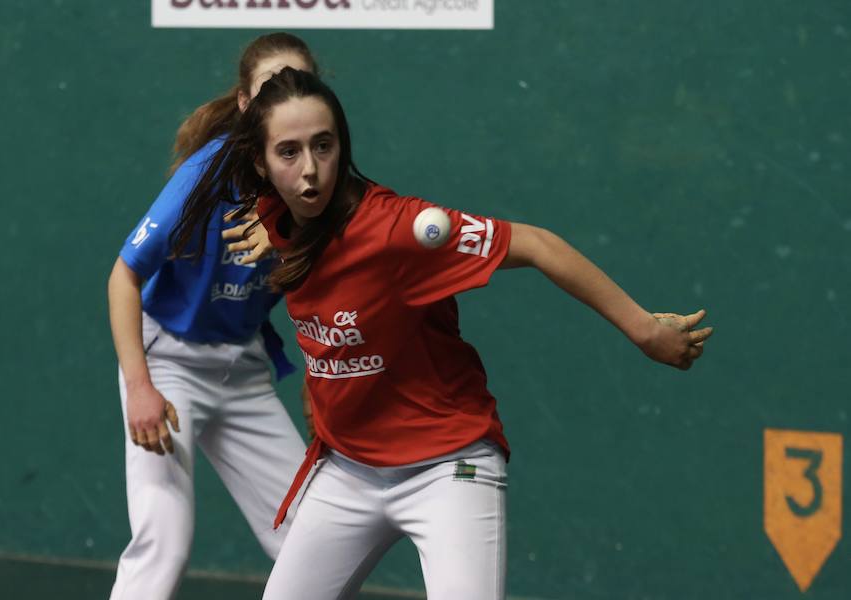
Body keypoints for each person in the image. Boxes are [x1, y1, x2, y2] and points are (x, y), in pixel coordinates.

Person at [171, 68, 713, 600]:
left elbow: (538, 245)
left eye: (324, 146)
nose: (310, 169)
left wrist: (644, 328)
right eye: (288, 152)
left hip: (448, 466)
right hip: (349, 472)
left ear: (342, 145)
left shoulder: (399, 231)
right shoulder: (275, 215)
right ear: (262, 164)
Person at [106, 34, 319, 600]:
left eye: (299, 84)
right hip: (167, 365)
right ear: (247, 104)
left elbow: (322, 286)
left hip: (242, 369)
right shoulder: (207, 173)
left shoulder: (317, 181)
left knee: (313, 537)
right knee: (164, 543)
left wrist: (319, 381)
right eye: (270, 88)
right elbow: (124, 276)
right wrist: (140, 387)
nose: (285, 98)